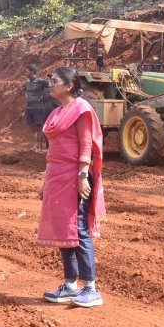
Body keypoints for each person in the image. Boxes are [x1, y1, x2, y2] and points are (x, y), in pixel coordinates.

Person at [37, 66, 106, 308]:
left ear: (68, 86)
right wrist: (46, 181)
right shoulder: (57, 113)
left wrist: (82, 175)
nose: (50, 84)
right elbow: (53, 152)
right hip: (56, 177)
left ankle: (90, 288)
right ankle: (69, 285)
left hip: (74, 176)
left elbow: (86, 145)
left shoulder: (81, 109)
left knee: (78, 229)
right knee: (62, 231)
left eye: (54, 81)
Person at [22, 64, 48, 152]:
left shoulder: (41, 81)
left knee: (39, 127)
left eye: (27, 71)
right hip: (29, 108)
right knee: (32, 128)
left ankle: (39, 148)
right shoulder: (27, 83)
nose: (25, 73)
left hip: (38, 107)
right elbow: (25, 92)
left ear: (32, 72)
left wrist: (45, 100)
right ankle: (33, 147)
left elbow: (51, 87)